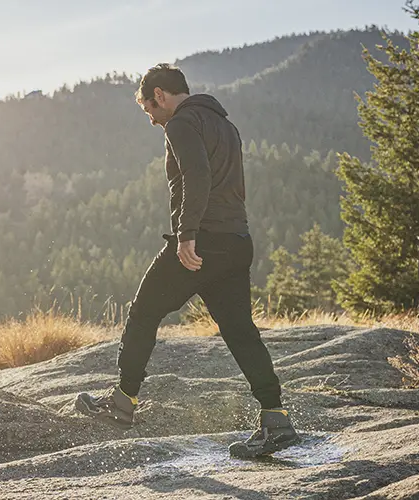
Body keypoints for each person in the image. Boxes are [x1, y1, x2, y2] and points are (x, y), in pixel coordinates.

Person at [75, 63, 299, 458]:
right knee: (240, 331)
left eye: (149, 110)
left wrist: (187, 235)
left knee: (143, 312)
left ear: (160, 95)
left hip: (203, 242)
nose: (151, 120)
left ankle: (122, 404)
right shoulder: (224, 125)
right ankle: (276, 419)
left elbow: (197, 175)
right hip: (236, 240)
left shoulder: (181, 124)